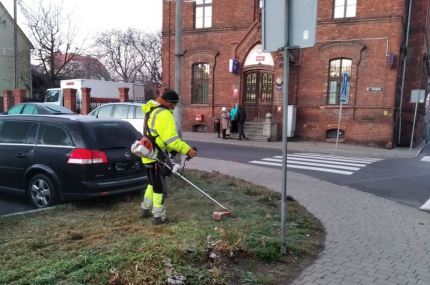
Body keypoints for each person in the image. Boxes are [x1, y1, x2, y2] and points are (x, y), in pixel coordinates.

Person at [140, 89, 197, 224]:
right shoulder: (164, 114)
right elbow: (171, 140)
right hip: (156, 156)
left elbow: (158, 136)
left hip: (147, 154)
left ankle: (145, 208)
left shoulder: (151, 110)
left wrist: (172, 151)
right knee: (159, 187)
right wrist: (187, 150)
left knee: (151, 183)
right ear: (168, 102)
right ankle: (158, 217)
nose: (174, 107)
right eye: (174, 104)